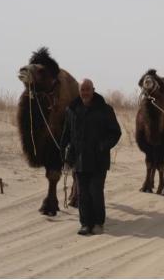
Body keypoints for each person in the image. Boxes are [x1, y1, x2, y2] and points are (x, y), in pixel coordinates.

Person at [61, 79, 121, 236]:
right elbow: (67, 135)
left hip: (98, 160)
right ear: (79, 91)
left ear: (93, 90)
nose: (85, 93)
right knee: (82, 193)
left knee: (95, 191)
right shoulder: (71, 110)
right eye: (82, 90)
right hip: (79, 159)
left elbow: (115, 132)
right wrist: (67, 158)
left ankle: (98, 223)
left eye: (88, 89)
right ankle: (85, 224)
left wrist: (103, 146)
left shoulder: (105, 109)